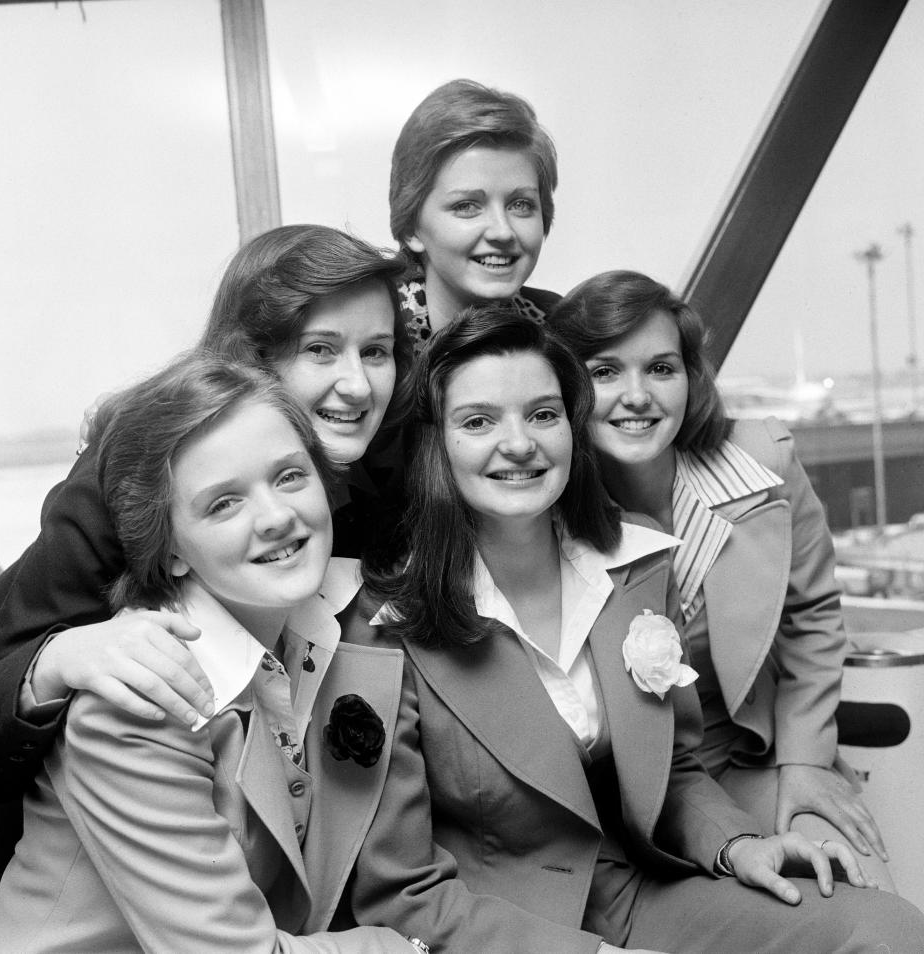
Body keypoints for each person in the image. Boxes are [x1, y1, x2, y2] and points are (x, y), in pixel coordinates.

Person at [349, 306, 924, 953]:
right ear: (437, 445)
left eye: (543, 414)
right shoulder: (383, 624)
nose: (520, 443)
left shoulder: (637, 566)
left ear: (573, 427)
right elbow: (399, 892)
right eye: (479, 421)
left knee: (886, 931)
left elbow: (670, 770)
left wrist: (739, 845)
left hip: (636, 893)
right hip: (500, 925)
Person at [0, 226, 409, 940]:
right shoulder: (119, 493)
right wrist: (62, 660)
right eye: (320, 348)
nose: (357, 383)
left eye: (377, 351)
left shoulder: (371, 493)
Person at [551, 270, 893, 891]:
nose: (637, 396)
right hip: (630, 796)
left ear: (690, 376)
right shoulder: (548, 514)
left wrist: (806, 759)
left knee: (860, 887)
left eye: (661, 368)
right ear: (566, 388)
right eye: (604, 373)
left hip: (750, 754)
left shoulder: (766, 466)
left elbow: (811, 615)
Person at [390, 78, 561, 349]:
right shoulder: (375, 339)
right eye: (467, 206)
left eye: (521, 204)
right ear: (412, 228)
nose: (502, 231)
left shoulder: (559, 327)